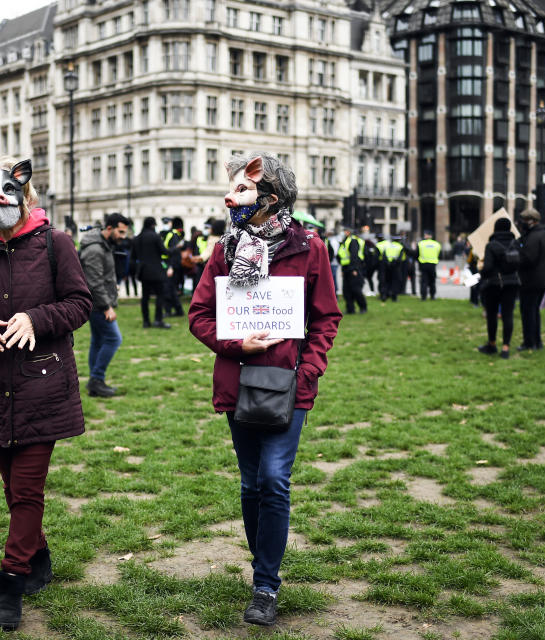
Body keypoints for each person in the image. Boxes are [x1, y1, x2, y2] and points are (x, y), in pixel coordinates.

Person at [190, 153, 341, 627]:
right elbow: (199, 315)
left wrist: (309, 369)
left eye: (242, 190)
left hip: (288, 386)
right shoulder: (224, 249)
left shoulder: (309, 248)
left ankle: (265, 585)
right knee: (252, 483)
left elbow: (325, 318)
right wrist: (237, 343)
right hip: (239, 381)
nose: (229, 197)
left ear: (270, 199)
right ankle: (265, 568)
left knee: (275, 480)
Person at [0, 157, 91, 632]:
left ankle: (10, 581)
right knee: (14, 490)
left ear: (25, 193)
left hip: (43, 385)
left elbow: (79, 303)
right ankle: (41, 556)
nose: (0, 199)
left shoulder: (56, 243)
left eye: (9, 190)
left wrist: (37, 318)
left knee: (27, 490)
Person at [79, 212, 129, 398]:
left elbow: (101, 276)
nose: (123, 237)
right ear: (109, 228)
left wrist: (111, 285)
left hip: (97, 301)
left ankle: (95, 382)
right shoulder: (95, 249)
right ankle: (96, 379)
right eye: (121, 232)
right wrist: (107, 306)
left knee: (98, 341)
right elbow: (93, 282)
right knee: (114, 339)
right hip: (98, 304)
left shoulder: (103, 245)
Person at [477, 218, 520, 359]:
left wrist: (481, 271)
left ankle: (492, 344)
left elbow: (488, 267)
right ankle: (506, 347)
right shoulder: (516, 244)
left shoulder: (491, 245)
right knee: (508, 315)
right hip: (512, 283)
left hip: (494, 284)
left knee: (492, 315)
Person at [516, 208, 545, 351]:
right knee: (534, 312)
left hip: (531, 280)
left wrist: (518, 253)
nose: (522, 223)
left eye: (524, 220)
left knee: (528, 312)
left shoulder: (533, 237)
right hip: (542, 280)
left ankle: (529, 342)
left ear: (531, 221)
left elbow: (527, 259)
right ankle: (537, 342)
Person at [133, 216, 172, 329]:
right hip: (156, 271)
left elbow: (133, 256)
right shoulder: (155, 237)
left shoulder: (137, 238)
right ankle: (158, 320)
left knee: (145, 297)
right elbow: (164, 251)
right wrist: (174, 250)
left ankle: (146, 321)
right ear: (153, 225)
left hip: (143, 272)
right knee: (160, 295)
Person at [338, 227, 367, 314]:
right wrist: (343, 270)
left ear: (349, 232)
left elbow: (354, 256)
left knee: (356, 289)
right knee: (346, 291)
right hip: (346, 268)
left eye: (346, 231)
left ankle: (363, 307)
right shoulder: (345, 241)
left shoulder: (353, 241)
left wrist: (354, 269)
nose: (344, 232)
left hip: (353, 268)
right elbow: (342, 256)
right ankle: (350, 309)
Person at [162, 217, 185, 316]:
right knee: (170, 289)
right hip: (170, 264)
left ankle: (170, 310)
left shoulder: (172, 235)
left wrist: (170, 266)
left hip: (170, 265)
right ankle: (177, 310)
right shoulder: (173, 235)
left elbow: (173, 252)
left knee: (168, 289)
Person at [417, 230, 442, 300]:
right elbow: (440, 255)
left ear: (427, 235)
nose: (424, 236)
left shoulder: (421, 243)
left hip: (423, 264)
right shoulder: (437, 244)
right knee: (432, 281)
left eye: (425, 235)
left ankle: (423, 297)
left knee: (424, 281)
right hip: (433, 265)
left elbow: (417, 254)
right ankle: (432, 296)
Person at [380, 236, 405, 302]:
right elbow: (399, 258)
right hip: (395, 267)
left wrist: (388, 263)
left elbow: (384, 256)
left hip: (387, 266)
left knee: (386, 281)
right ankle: (394, 297)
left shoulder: (387, 246)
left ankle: (384, 295)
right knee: (395, 282)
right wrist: (394, 263)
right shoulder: (400, 247)